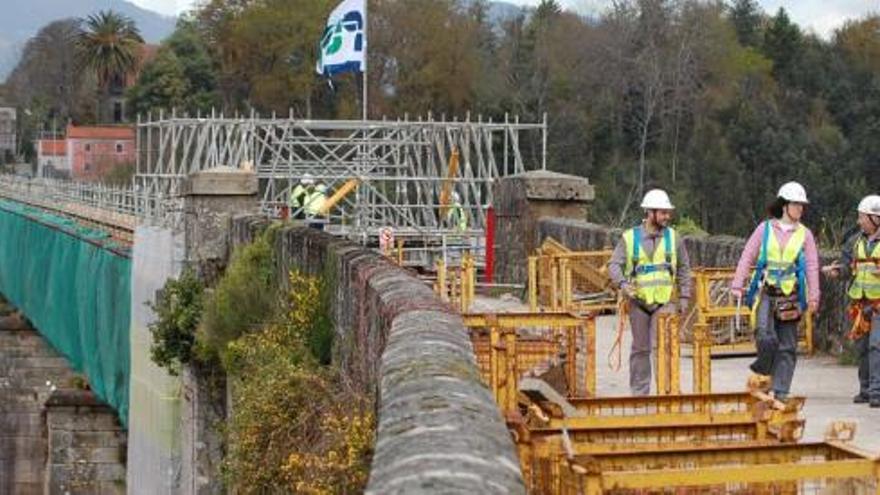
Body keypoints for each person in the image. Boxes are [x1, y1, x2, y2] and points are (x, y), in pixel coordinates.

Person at [730, 181, 820, 402]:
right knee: (765, 336)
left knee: (788, 345)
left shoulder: (805, 234)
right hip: (767, 292)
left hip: (791, 295)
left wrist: (814, 296)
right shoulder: (765, 229)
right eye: (796, 204)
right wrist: (737, 284)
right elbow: (748, 255)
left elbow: (812, 265)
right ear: (784, 205)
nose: (800, 209)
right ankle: (764, 374)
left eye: (802, 205)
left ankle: (781, 390)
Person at [608, 189, 692, 395]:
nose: (667, 216)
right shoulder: (629, 238)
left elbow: (684, 269)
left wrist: (684, 297)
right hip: (639, 303)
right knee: (640, 349)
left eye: (667, 212)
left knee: (663, 348)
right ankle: (640, 394)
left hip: (664, 303)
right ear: (650, 212)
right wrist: (623, 285)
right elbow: (614, 265)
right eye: (663, 212)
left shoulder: (674, 238)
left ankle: (667, 390)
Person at [823, 195, 880, 407]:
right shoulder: (854, 242)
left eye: (862, 217)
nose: (859, 221)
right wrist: (837, 272)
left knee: (877, 346)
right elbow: (848, 267)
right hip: (860, 305)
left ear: (875, 218)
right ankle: (865, 390)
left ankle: (876, 391)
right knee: (863, 347)